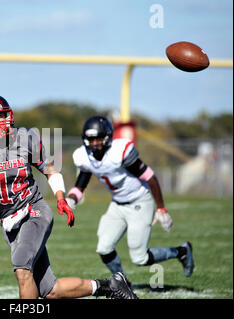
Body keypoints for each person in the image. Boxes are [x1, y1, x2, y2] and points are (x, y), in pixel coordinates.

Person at [0, 94, 137, 299]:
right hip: (10, 221)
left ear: (9, 116)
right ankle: (110, 286)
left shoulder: (25, 138)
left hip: (34, 211)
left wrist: (60, 197)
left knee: (22, 270)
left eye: (0, 115)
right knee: (50, 291)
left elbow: (49, 170)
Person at [65, 115, 195, 283]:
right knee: (104, 248)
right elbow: (81, 184)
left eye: (98, 139)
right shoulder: (84, 156)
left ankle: (181, 251)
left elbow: (150, 177)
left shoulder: (119, 152)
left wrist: (161, 208)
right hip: (117, 205)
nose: (95, 143)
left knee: (139, 258)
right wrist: (71, 199)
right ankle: (123, 283)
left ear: (108, 137)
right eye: (91, 139)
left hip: (139, 202)